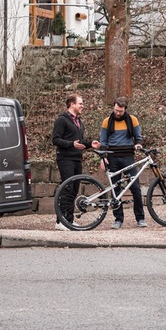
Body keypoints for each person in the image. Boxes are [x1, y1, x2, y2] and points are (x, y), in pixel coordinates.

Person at [51, 94, 100, 231]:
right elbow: (55, 140)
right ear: (72, 104)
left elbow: (79, 143)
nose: (82, 106)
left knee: (74, 190)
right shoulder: (61, 120)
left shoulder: (79, 122)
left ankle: (69, 220)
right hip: (65, 159)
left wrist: (90, 144)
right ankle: (61, 221)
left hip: (77, 158)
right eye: (80, 103)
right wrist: (71, 144)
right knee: (66, 189)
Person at [99, 97, 146, 229]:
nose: (117, 113)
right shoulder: (107, 121)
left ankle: (140, 218)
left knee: (135, 188)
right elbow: (103, 141)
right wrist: (103, 157)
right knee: (115, 189)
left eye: (120, 111)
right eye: (115, 110)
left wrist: (138, 144)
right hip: (112, 158)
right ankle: (118, 219)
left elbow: (138, 138)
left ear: (125, 109)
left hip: (128, 157)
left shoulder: (133, 120)